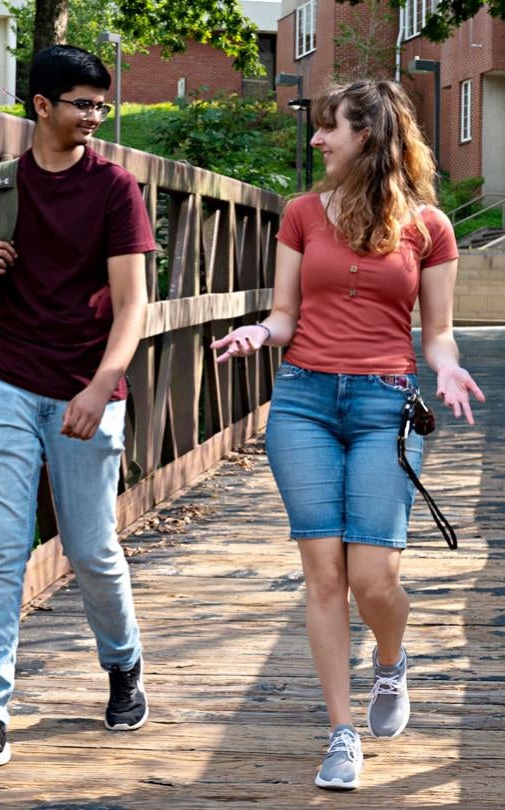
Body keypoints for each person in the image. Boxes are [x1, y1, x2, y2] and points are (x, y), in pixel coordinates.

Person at [212, 80, 485, 790]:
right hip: (302, 401)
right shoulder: (302, 214)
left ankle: (390, 664)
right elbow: (282, 314)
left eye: (326, 127)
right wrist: (255, 333)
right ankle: (339, 733)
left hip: (381, 406)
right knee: (324, 574)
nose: (314, 140)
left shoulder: (428, 228)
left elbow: (439, 335)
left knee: (374, 576)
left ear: (363, 134)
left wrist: (448, 370)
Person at [0, 45, 155, 783]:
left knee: (91, 549)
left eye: (101, 105)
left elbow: (133, 305)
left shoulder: (113, 189)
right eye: (81, 104)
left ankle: (123, 663)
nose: (94, 117)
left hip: (85, 387)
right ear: (40, 105)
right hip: (5, 377)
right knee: (0, 550)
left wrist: (101, 386)